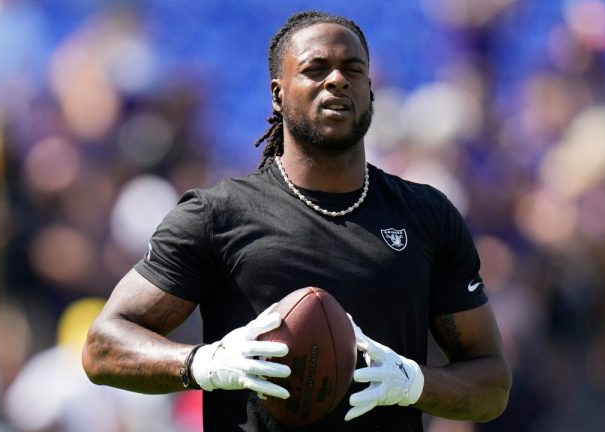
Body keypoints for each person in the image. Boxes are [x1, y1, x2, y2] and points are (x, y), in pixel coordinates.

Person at [82, 10, 511, 432]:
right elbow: (102, 348)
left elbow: (492, 384)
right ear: (278, 93)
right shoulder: (218, 214)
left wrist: (413, 382)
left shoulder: (426, 214)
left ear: (370, 92)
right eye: (316, 68)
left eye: (353, 69)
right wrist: (203, 364)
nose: (337, 79)